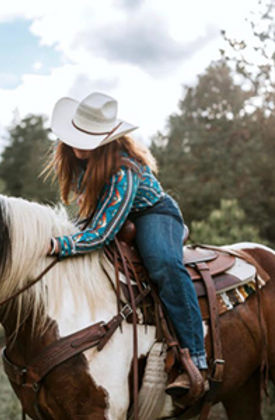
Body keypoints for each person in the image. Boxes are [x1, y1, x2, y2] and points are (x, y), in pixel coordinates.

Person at [45, 92, 207, 397]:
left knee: (163, 264)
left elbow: (102, 234)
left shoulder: (124, 170)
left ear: (106, 139)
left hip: (153, 213)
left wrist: (59, 244)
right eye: (77, 134)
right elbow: (96, 213)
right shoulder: (75, 157)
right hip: (108, 212)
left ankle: (196, 357)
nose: (79, 142)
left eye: (89, 137)